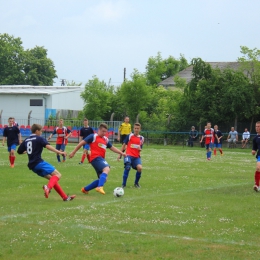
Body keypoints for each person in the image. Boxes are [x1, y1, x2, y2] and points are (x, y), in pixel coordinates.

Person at [17, 124, 75, 201]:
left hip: (33, 166)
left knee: (52, 180)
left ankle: (65, 197)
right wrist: (59, 152)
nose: (41, 132)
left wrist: (27, 151)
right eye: (41, 131)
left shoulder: (27, 139)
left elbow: (19, 151)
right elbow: (48, 146)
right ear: (37, 131)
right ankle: (48, 188)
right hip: (39, 163)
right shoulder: (39, 138)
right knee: (58, 175)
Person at [69, 123, 126, 195]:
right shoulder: (93, 136)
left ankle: (85, 189)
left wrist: (121, 153)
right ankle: (99, 187)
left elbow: (112, 148)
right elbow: (81, 143)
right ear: (99, 130)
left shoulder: (105, 139)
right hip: (95, 158)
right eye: (102, 131)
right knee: (106, 169)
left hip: (100, 159)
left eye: (105, 132)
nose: (104, 133)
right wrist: (73, 152)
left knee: (103, 179)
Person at [117, 123, 144, 188]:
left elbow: (140, 148)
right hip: (128, 155)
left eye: (138, 128)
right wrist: (120, 154)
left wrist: (140, 149)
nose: (136, 130)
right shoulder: (129, 136)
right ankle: (123, 184)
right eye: (135, 128)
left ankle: (136, 183)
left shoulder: (142, 138)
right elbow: (124, 145)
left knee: (140, 168)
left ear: (140, 129)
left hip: (136, 157)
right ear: (133, 129)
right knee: (127, 167)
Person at [252, 121, 260, 192]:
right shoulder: (255, 138)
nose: (257, 128)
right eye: (256, 126)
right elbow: (254, 149)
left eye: (258, 126)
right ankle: (257, 185)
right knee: (258, 168)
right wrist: (253, 151)